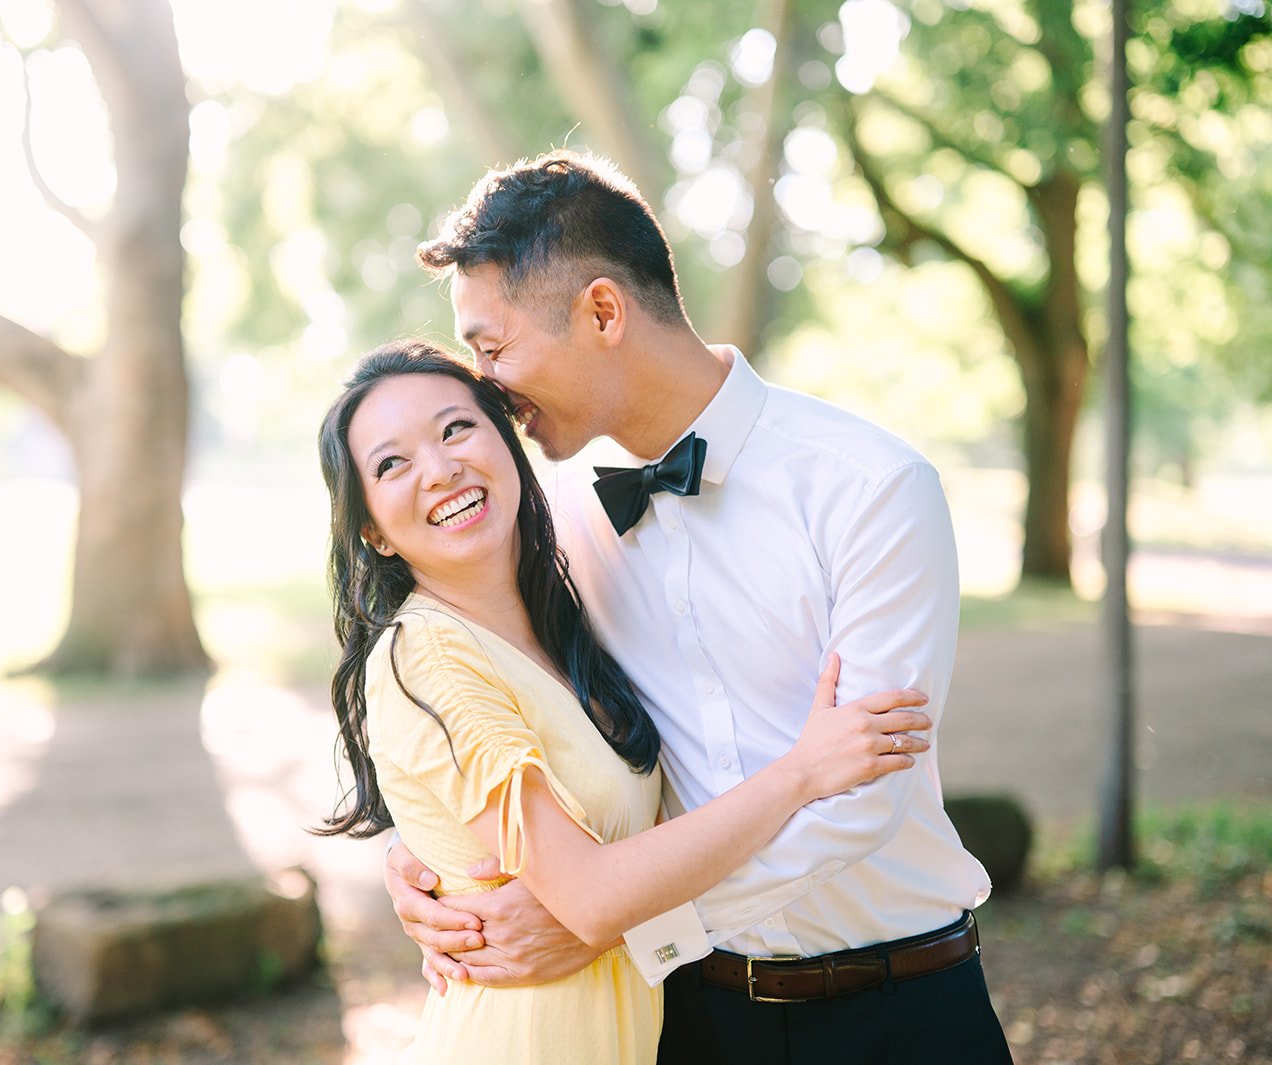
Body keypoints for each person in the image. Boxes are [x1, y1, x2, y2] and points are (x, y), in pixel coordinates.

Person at [383, 151, 1015, 1063]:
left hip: (899, 1007)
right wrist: (426, 858)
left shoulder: (871, 487)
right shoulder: (552, 525)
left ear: (603, 311)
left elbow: (861, 798)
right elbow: (466, 689)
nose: (485, 386)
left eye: (492, 347)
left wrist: (619, 924)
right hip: (689, 1024)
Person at [316, 339, 934, 1063]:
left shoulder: (561, 612)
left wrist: (424, 847)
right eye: (391, 463)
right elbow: (594, 899)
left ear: (507, 443)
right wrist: (800, 772)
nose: (440, 467)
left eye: (456, 428)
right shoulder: (425, 653)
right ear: (369, 530)